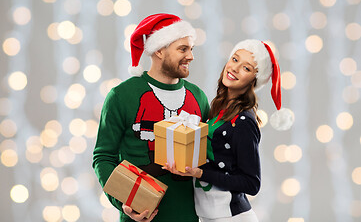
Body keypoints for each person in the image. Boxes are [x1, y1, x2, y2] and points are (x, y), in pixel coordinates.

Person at [92, 13, 209, 222]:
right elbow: (103, 157)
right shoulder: (121, 96)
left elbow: (208, 156)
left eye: (191, 49)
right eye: (183, 49)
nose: (191, 56)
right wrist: (124, 203)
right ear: (159, 50)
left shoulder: (198, 97)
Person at [163, 39, 282, 222]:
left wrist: (200, 173)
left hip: (231, 217)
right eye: (235, 60)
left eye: (246, 68)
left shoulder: (244, 121)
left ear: (254, 80)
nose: (235, 68)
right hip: (208, 215)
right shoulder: (218, 108)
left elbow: (252, 183)